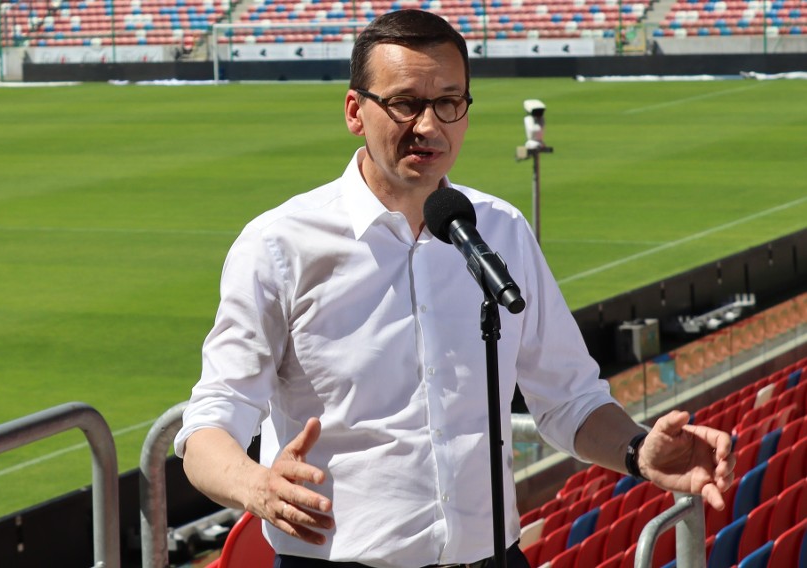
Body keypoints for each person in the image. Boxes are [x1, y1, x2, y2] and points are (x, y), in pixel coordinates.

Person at [175, 9, 736, 568]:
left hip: (495, 558)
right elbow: (210, 424)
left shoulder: (502, 230)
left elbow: (568, 398)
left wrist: (639, 451)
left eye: (449, 102)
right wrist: (256, 486)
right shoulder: (280, 244)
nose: (429, 126)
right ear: (354, 111)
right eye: (404, 103)